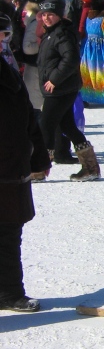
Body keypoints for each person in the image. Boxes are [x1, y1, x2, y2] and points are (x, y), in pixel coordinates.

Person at [0, 55, 50, 312]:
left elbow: (27, 117)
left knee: (8, 233)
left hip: (11, 167)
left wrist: (38, 157)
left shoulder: (7, 73)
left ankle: (8, 292)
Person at [36, 0, 100, 181]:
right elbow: (48, 60)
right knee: (69, 127)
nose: (46, 18)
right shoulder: (51, 34)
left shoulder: (62, 34)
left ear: (60, 15)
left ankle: (39, 168)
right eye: (44, 15)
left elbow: (71, 59)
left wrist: (54, 79)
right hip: (60, 88)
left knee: (45, 125)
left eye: (51, 15)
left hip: (61, 88)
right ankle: (90, 168)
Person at [78, 0, 104, 107]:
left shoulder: (88, 19)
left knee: (89, 72)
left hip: (88, 48)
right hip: (102, 48)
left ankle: (86, 97)